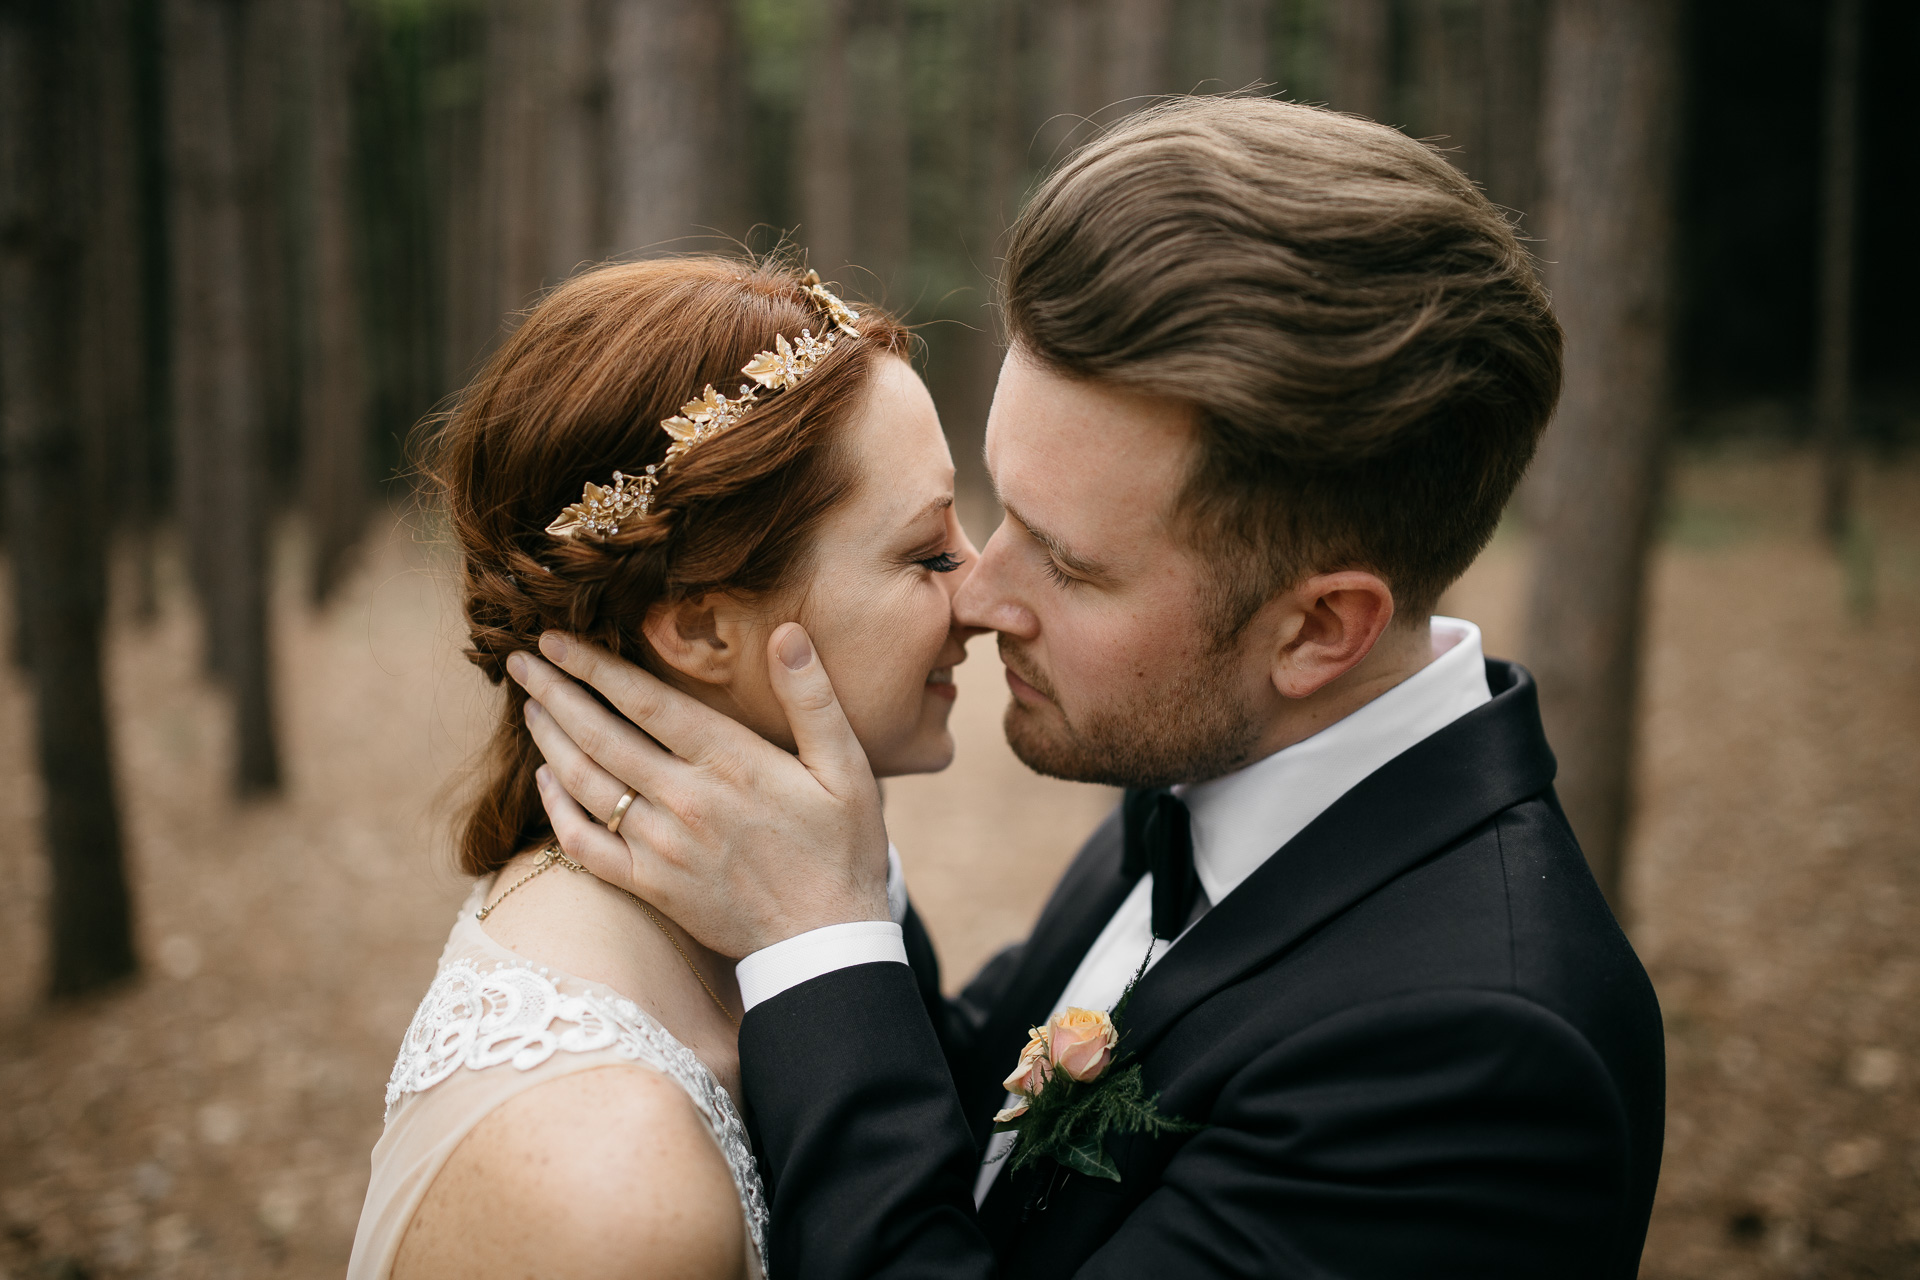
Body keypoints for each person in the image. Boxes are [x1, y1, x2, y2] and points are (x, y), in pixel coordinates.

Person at [512, 97, 1666, 1277]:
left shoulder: (1475, 1067)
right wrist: (830, 881)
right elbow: (988, 1143)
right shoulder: (1216, 759)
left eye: (1065, 559)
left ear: (1319, 628)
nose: (978, 590)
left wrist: (814, 942)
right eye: (1002, 505)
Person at [347, 258, 978, 1279]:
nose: (986, 591)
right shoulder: (611, 1191)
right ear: (698, 627)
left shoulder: (761, 914)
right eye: (927, 552)